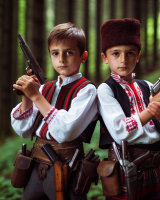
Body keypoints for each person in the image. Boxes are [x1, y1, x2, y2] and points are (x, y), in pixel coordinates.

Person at [97, 18, 160, 200]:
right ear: (105, 57)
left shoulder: (149, 86)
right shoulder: (105, 89)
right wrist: (151, 110)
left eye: (130, 53)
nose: (123, 59)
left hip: (155, 169)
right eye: (115, 53)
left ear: (138, 56)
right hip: (125, 168)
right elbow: (121, 131)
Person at [11, 22, 98, 200]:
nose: (62, 59)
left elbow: (66, 130)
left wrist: (36, 96)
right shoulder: (44, 89)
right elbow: (24, 131)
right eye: (55, 53)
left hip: (67, 166)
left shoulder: (87, 90)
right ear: (50, 56)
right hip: (35, 164)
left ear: (83, 56)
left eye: (70, 52)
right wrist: (27, 95)